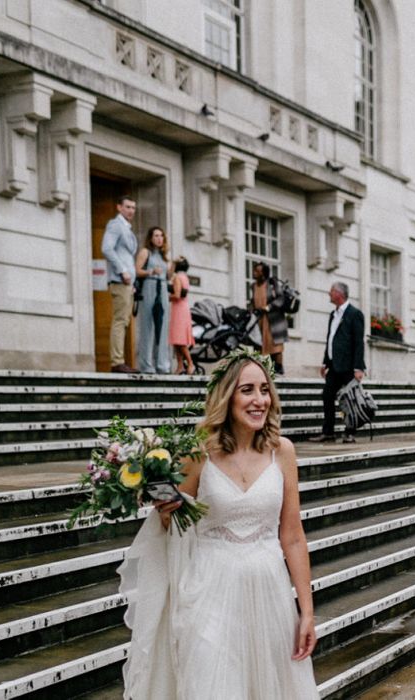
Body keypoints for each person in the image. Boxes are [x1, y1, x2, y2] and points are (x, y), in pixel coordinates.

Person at [119, 346, 319, 699]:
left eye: (264, 389)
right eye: (247, 390)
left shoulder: (282, 451)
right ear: (226, 397)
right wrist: (164, 513)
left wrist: (306, 611)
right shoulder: (198, 453)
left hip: (269, 594)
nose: (260, 400)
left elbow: (292, 537)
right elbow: (173, 525)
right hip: (209, 592)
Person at [308, 282, 365, 444]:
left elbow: (358, 342)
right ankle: (328, 432)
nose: (329, 294)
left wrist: (359, 367)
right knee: (327, 395)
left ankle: (349, 432)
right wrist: (325, 362)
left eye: (331, 291)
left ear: (340, 294)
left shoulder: (355, 314)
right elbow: (330, 339)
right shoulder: (333, 315)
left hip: (348, 366)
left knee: (349, 400)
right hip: (334, 365)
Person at [101, 195, 138, 373]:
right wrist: (122, 270)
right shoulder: (115, 225)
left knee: (123, 321)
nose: (131, 211)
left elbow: (126, 254)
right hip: (120, 280)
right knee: (119, 321)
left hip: (128, 284)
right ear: (119, 207)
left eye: (133, 208)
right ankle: (117, 362)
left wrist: (133, 281)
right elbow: (106, 248)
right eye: (128, 207)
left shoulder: (127, 228)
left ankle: (119, 360)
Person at [135, 226, 172, 374]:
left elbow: (168, 277)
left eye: (161, 236)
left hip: (162, 288)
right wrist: (151, 271)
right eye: (156, 236)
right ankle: (146, 364)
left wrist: (172, 269)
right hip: (149, 286)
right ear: (151, 238)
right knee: (148, 326)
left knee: (162, 327)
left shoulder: (164, 256)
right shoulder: (145, 252)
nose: (159, 238)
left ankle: (163, 364)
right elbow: (136, 270)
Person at [250, 262, 288, 375]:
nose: (254, 273)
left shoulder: (272, 283)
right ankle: (259, 368)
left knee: (275, 346)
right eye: (255, 270)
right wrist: (251, 311)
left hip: (274, 319)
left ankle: (279, 368)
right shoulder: (253, 286)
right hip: (259, 319)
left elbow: (281, 299)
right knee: (258, 343)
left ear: (264, 273)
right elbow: (252, 301)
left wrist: (268, 307)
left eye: (257, 271)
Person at [169, 256, 195, 375]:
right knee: (177, 339)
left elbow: (177, 295)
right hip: (183, 308)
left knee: (179, 340)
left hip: (178, 309)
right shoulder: (185, 277)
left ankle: (190, 363)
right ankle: (180, 366)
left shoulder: (177, 277)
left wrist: (166, 296)